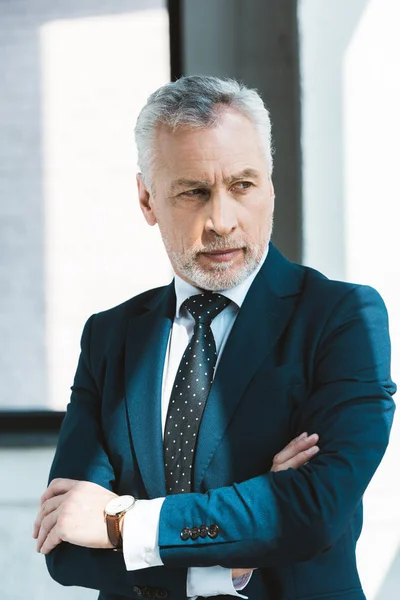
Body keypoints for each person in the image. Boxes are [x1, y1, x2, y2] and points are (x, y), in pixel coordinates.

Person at [33, 76, 396, 600]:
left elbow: (312, 513)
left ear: (270, 186)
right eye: (194, 192)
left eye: (243, 185)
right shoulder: (111, 338)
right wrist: (232, 553)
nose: (222, 221)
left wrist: (123, 523)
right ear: (147, 198)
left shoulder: (341, 319)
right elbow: (65, 545)